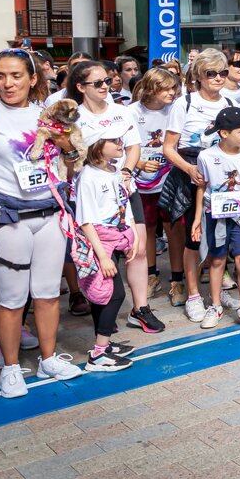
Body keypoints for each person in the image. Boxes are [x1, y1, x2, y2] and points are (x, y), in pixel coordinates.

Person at [0, 50, 83, 398]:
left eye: (16, 76)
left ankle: (49, 358)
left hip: (50, 214)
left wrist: (66, 145)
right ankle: (11, 367)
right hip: (7, 217)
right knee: (12, 299)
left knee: (47, 294)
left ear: (33, 79)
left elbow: (72, 165)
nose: (8, 83)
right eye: (0, 76)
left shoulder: (47, 114)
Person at [65, 61, 158, 330]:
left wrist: (127, 171)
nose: (106, 86)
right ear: (81, 87)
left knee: (137, 248)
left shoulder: (121, 111)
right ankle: (105, 312)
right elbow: (69, 159)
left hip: (125, 190)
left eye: (107, 80)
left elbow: (134, 147)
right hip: (92, 194)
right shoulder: (75, 118)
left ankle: (140, 309)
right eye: (98, 83)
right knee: (104, 253)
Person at [160, 49, 240, 323]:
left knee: (223, 235)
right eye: (211, 73)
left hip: (221, 174)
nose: (218, 78)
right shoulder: (184, 103)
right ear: (199, 75)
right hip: (191, 173)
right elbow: (169, 148)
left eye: (223, 72)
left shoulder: (229, 101)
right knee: (193, 239)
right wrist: (190, 169)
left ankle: (216, 292)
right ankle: (193, 294)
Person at [191, 107, 240, 327]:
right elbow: (202, 188)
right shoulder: (207, 156)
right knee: (217, 260)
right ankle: (215, 305)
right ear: (224, 133)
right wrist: (196, 220)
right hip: (215, 216)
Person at [73, 123, 136, 371]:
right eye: (114, 141)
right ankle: (98, 354)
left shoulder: (114, 170)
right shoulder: (88, 177)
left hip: (115, 237)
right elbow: (85, 221)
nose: (121, 144)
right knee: (114, 294)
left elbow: (124, 203)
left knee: (104, 295)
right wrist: (103, 256)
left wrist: (134, 237)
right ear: (98, 147)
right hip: (99, 243)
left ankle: (105, 344)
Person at [128, 67, 180, 319]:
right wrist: (137, 163)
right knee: (147, 229)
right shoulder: (131, 112)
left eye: (174, 88)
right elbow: (122, 146)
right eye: (167, 88)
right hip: (141, 181)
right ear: (151, 88)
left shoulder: (176, 109)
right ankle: (151, 275)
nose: (172, 93)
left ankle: (177, 278)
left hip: (170, 177)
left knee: (173, 227)